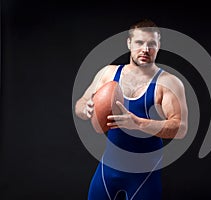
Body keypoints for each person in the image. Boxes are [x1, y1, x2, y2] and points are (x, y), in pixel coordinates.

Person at [75, 19, 188, 200]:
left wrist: (138, 123)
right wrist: (86, 109)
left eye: (151, 44)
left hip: (144, 174)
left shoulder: (169, 83)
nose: (145, 49)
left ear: (159, 46)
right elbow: (80, 105)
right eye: (139, 42)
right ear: (129, 43)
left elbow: (180, 128)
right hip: (109, 168)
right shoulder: (108, 73)